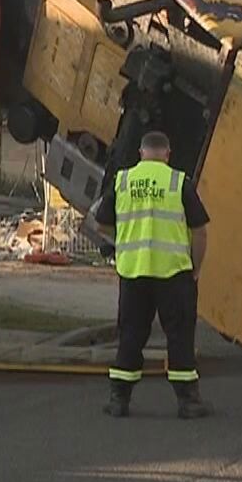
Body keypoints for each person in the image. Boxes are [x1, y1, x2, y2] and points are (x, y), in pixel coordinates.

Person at [92, 130, 212, 419]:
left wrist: (124, 240)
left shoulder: (122, 181)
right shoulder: (178, 182)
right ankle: (188, 402)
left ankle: (119, 398)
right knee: (179, 336)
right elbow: (199, 231)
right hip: (174, 273)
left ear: (141, 153)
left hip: (134, 273)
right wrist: (195, 268)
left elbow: (101, 224)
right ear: (167, 154)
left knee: (130, 334)